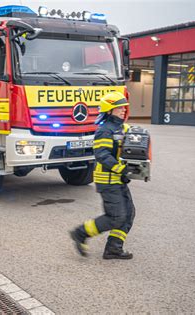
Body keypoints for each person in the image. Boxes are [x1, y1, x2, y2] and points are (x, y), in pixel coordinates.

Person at [70, 91, 136, 260]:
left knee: (128, 214)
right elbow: (102, 155)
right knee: (116, 216)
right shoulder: (105, 130)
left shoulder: (121, 127)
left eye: (124, 107)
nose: (123, 110)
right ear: (109, 110)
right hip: (108, 180)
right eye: (119, 107)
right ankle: (80, 233)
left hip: (118, 179)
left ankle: (114, 248)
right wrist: (120, 168)